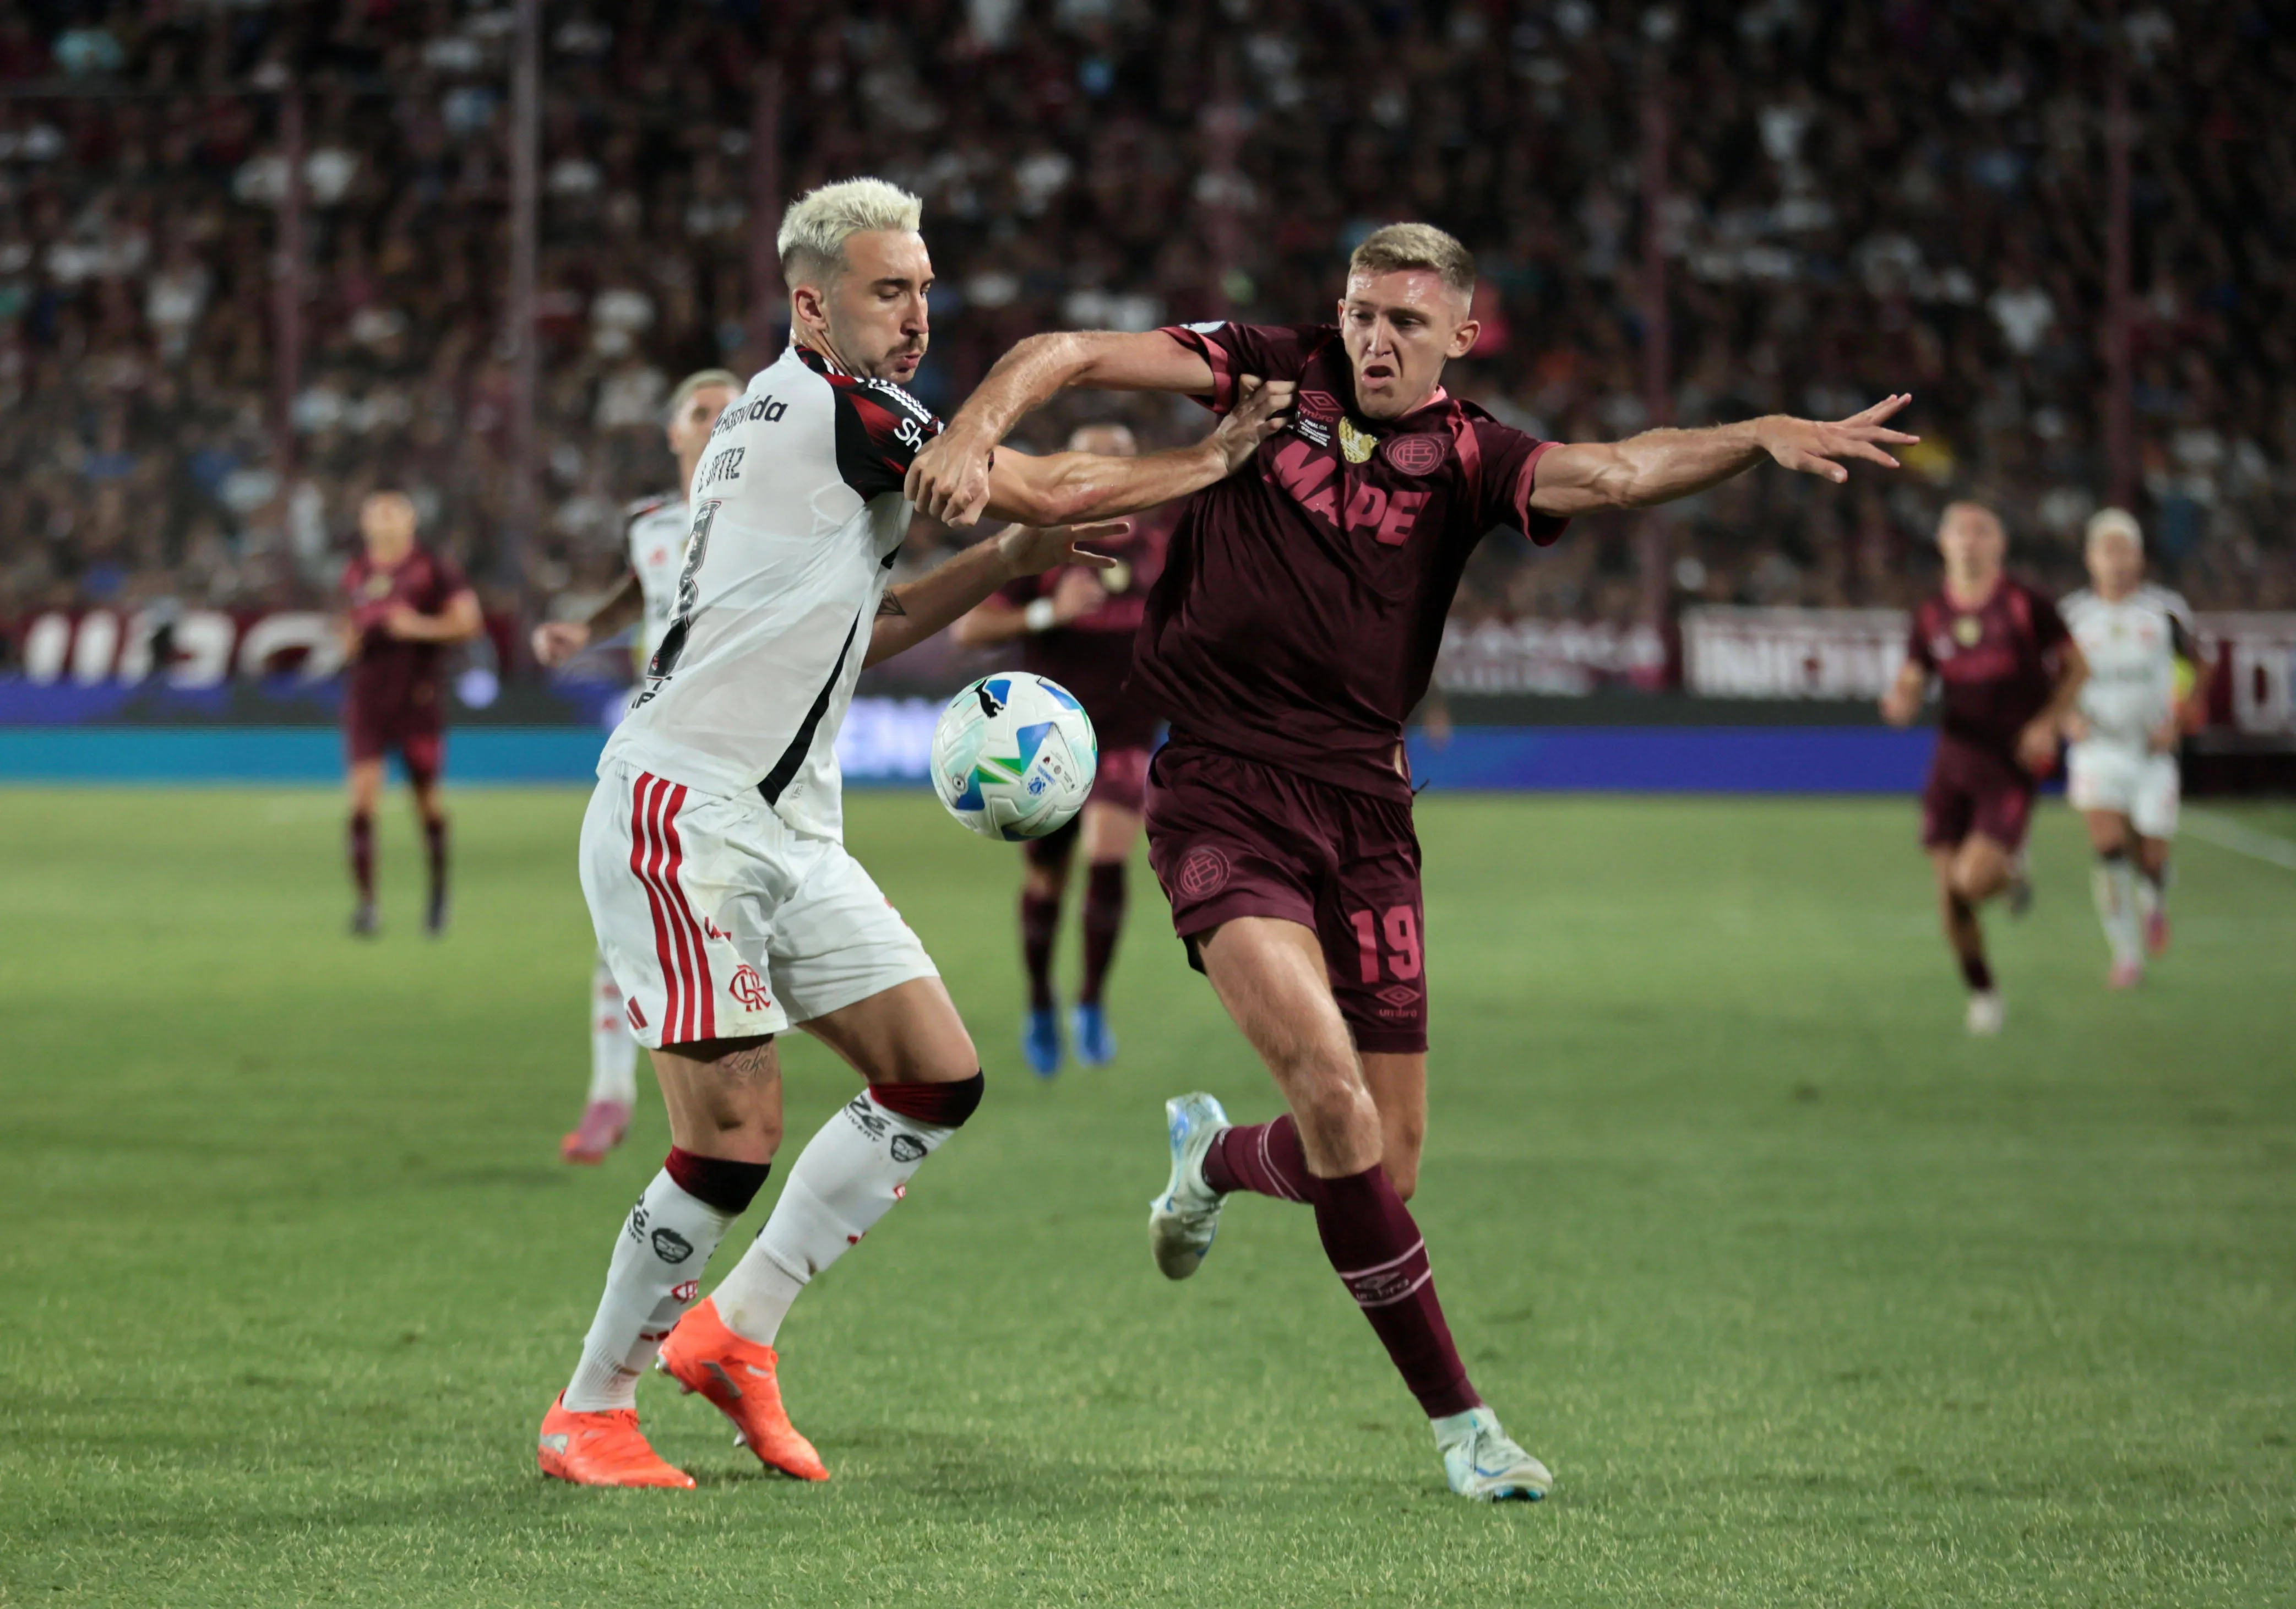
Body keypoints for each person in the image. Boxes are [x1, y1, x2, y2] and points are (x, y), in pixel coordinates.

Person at [904, 221, 1913, 1501]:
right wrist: (973, 428)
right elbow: (1069, 351)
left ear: (1459, 334)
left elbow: (1614, 474)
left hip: (1370, 815)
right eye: (1361, 311)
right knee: (1330, 1091)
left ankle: (1209, 1160)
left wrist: (1756, 432)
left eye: (1402, 322)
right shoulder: (1269, 371)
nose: (1372, 338)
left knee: (1382, 1163)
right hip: (1220, 792)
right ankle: (1464, 1428)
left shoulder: (1473, 456)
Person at [536, 177, 1293, 1490]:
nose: (917, 315)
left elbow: (869, 626)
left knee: (935, 1073)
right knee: (730, 1134)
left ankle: (735, 1332)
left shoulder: (790, 426)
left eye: (926, 290)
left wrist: (1002, 564)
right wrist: (1213, 461)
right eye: (891, 291)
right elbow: (1042, 476)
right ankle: (591, 1408)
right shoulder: (838, 405)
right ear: (810, 304)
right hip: (684, 815)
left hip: (785, 827)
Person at [533, 368, 743, 1165]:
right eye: (703, 410)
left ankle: (724, 1086)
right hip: (655, 736)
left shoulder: (785, 514)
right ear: (674, 434)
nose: (721, 419)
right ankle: (609, 1093)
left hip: (745, 741)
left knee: (735, 917)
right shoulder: (652, 523)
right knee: (624, 912)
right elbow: (639, 591)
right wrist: (579, 630)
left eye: (735, 408)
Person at [952, 423, 1176, 1076]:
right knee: (1047, 880)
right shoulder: (1044, 545)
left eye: (1121, 458)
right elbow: (971, 628)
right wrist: (1048, 614)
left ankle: (1090, 1002)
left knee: (1109, 859)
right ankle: (1041, 1002)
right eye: (1095, 458)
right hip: (1043, 739)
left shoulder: (1163, 547)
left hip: (1129, 733)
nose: (1108, 470)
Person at [1882, 502, 2088, 1032]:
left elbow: (2077, 668)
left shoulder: (2025, 604)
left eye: (1981, 532)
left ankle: (2012, 870)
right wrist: (1902, 697)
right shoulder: (1931, 612)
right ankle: (1984, 994)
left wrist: (2049, 721)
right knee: (1948, 897)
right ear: (1943, 543)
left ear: (1999, 544)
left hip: (2011, 763)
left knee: (1972, 882)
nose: (1970, 541)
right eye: (1960, 532)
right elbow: (1914, 673)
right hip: (1952, 763)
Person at [2059, 508, 2210, 987]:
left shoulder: (2165, 611)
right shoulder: (2071, 616)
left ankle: (2156, 900)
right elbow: (2049, 680)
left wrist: (2180, 718)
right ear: (2091, 558)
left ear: (2140, 558)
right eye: (2109, 551)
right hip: (2097, 747)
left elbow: (2200, 668)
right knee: (2107, 846)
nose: (2117, 562)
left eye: (2126, 551)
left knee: (2151, 855)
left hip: (2152, 751)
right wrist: (2065, 717)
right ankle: (2126, 957)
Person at [335, 488, 482, 937]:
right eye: (375, 512)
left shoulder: (433, 569)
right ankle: (367, 907)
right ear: (364, 523)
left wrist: (417, 626)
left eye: (392, 511)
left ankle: (438, 896)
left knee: (426, 804)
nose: (383, 519)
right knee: (361, 799)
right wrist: (350, 641)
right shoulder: (357, 572)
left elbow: (468, 622)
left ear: (410, 519)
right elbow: (345, 628)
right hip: (367, 700)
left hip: (417, 699)